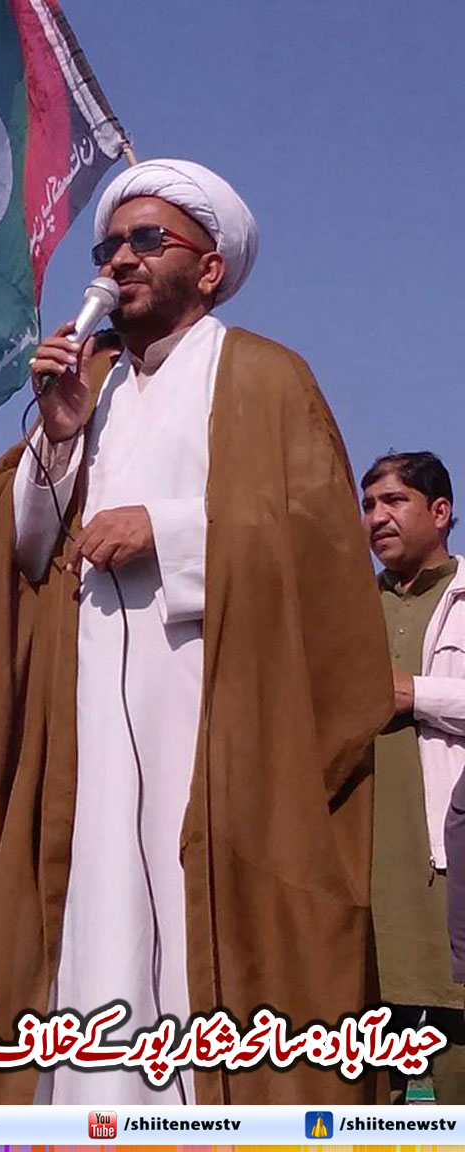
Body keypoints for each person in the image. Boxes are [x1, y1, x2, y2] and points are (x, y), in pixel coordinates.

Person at [0, 158, 392, 1106]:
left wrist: (169, 530)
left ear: (209, 268)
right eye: (108, 246)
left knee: (211, 924)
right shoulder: (91, 386)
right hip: (87, 726)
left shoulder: (265, 377)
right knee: (96, 915)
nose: (119, 260)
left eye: (146, 241)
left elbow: (317, 542)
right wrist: (59, 438)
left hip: (218, 710)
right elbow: (18, 550)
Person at [361, 451, 465, 1103]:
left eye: (394, 501)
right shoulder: (348, 607)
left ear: (440, 511)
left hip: (446, 868)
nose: (376, 517)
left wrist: (416, 694)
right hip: (365, 872)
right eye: (368, 505)